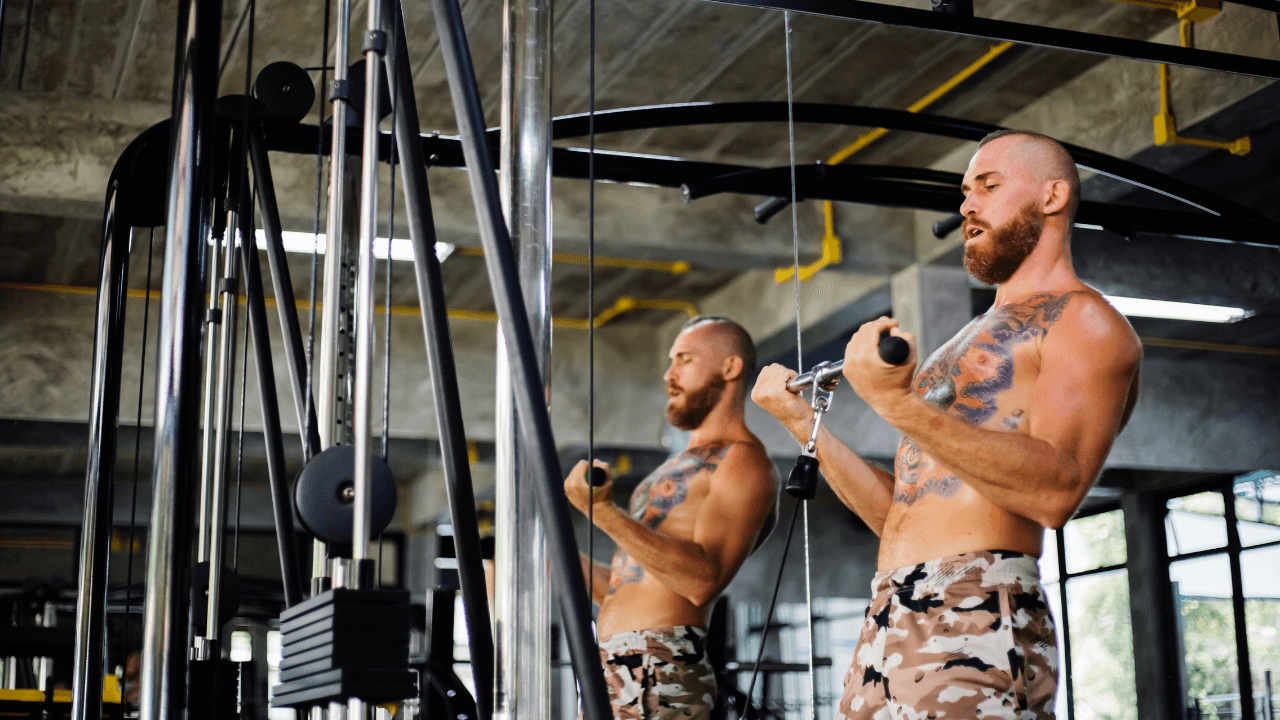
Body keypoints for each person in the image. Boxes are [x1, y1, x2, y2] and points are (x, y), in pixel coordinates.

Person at [752, 129, 1142, 719]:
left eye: (989, 186)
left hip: (977, 606)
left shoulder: (1084, 322)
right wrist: (801, 421)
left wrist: (897, 404)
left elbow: (1055, 492)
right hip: (891, 608)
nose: (966, 206)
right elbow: (900, 518)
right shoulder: (962, 341)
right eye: (964, 192)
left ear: (1052, 196)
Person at [564, 316, 779, 720]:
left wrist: (602, 512)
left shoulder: (743, 460)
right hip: (613, 664)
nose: (669, 374)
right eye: (671, 361)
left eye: (684, 359)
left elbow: (701, 581)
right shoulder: (673, 467)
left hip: (660, 665)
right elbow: (628, 586)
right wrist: (554, 560)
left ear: (730, 368)